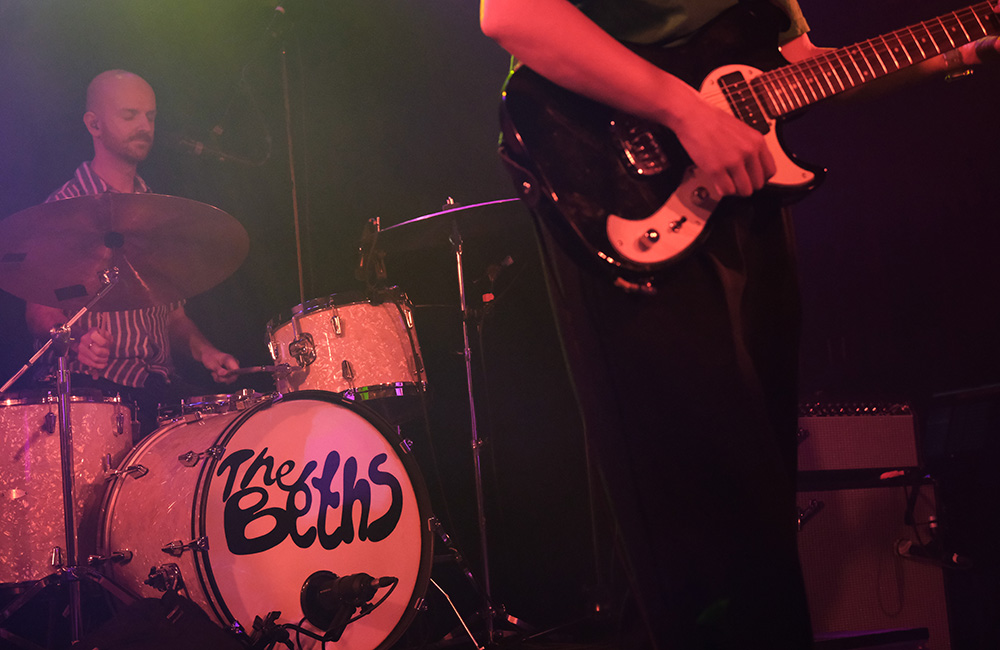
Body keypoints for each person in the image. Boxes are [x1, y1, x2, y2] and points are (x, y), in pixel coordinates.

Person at [479, 1, 1000, 649]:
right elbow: (514, 15)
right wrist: (686, 113)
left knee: (757, 510)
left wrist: (954, 52)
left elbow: (799, 67)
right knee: (699, 508)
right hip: (619, 182)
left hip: (744, 201)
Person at [24, 69, 240, 438]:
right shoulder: (62, 209)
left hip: (161, 391)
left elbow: (173, 317)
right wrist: (76, 343)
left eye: (150, 117)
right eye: (130, 115)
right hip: (92, 395)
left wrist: (206, 352)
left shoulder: (158, 211)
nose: (144, 126)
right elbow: (38, 311)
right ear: (94, 124)